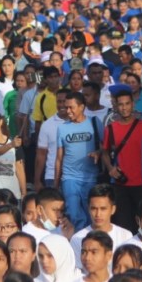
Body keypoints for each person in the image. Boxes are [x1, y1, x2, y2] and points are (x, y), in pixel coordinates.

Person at [102, 87, 142, 231]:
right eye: (121, 104)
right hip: (119, 182)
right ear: (116, 106)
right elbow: (104, 152)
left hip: (140, 182)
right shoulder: (110, 128)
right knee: (122, 224)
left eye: (127, 104)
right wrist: (111, 169)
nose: (124, 108)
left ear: (132, 104)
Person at [54, 92, 99, 230]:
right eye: (66, 107)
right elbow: (59, 157)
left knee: (91, 214)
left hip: (90, 177)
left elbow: (105, 148)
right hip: (70, 178)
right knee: (73, 214)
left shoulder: (95, 123)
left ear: (82, 107)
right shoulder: (62, 128)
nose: (68, 111)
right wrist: (56, 183)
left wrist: (98, 153)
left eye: (71, 107)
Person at [70, 184, 132, 270]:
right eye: (94, 208)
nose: (98, 214)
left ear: (113, 209)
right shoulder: (77, 238)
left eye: (103, 209)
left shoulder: (126, 236)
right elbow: (78, 272)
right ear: (88, 209)